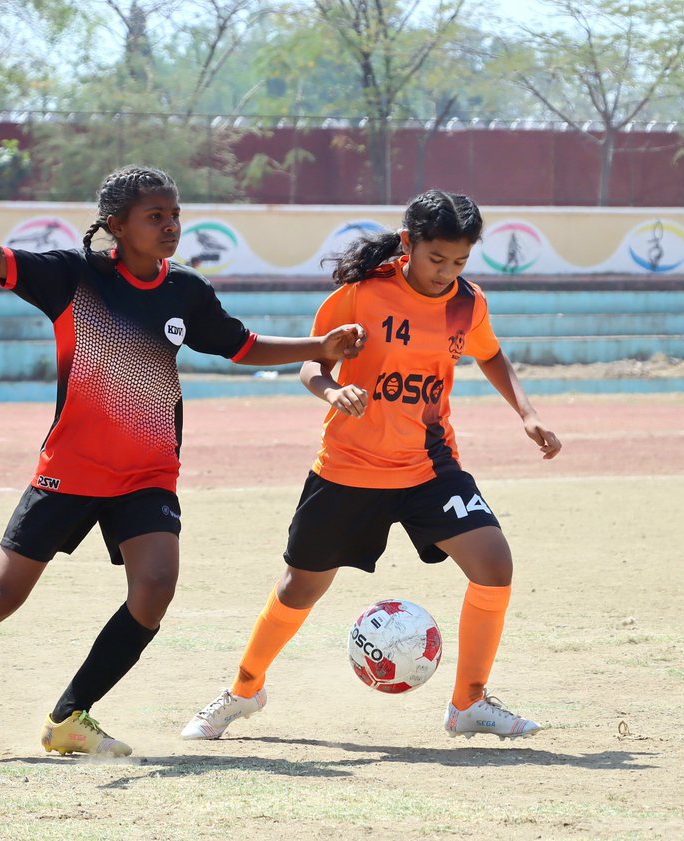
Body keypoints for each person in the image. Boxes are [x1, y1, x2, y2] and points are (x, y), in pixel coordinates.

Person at [0, 119, 365, 757]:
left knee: (154, 588)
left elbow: (242, 346)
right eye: (154, 215)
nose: (170, 225)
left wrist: (320, 346)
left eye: (174, 214)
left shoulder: (186, 291)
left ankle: (71, 716)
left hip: (147, 475)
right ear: (116, 225)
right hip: (72, 469)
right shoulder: (73, 278)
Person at [181, 190, 562, 743]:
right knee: (298, 590)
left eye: (459, 262)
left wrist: (527, 414)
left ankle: (469, 703)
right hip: (348, 470)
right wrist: (333, 392)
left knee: (494, 565)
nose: (446, 273)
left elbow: (489, 352)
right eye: (436, 260)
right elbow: (313, 366)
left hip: (429, 466)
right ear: (407, 244)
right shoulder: (361, 297)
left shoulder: (468, 303)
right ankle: (243, 691)